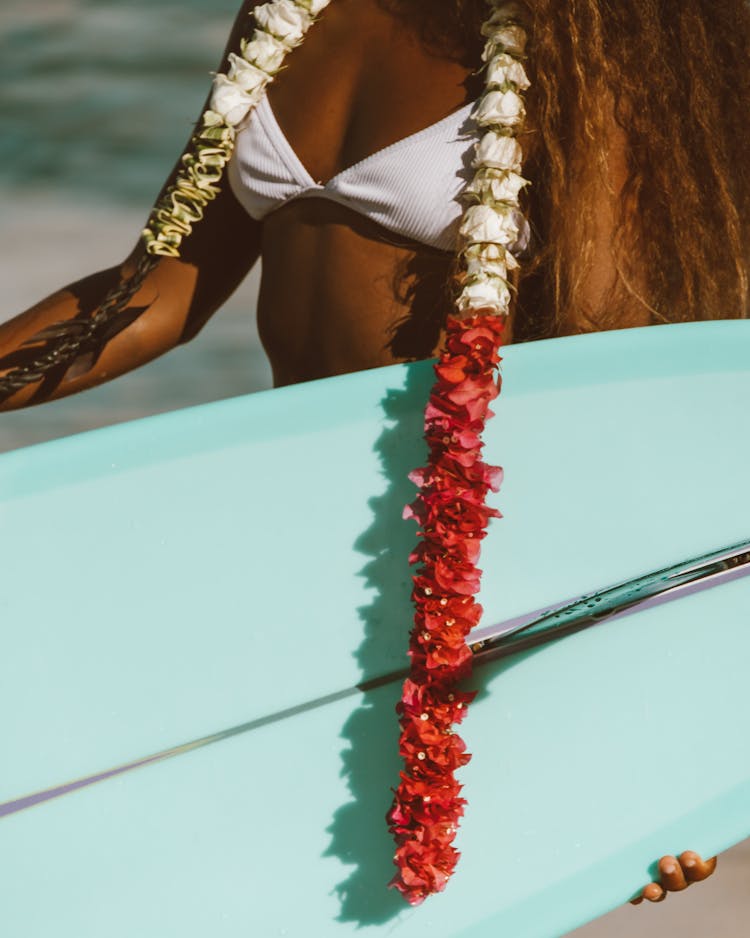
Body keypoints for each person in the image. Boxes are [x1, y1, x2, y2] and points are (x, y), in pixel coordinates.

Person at [0, 0, 742, 905]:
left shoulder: (590, 44)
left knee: (424, 893)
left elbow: (610, 355)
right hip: (296, 538)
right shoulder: (289, 12)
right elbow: (155, 294)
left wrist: (650, 761)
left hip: (465, 565)